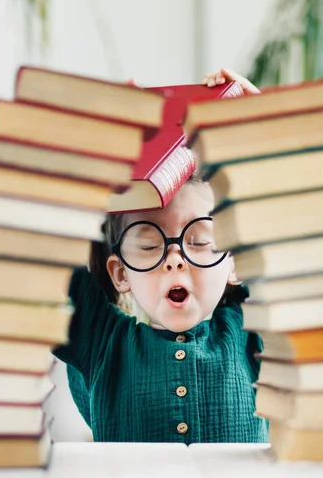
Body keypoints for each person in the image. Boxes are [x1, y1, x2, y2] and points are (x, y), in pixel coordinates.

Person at [53, 68, 268, 444]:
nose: (174, 259)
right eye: (149, 245)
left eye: (199, 240)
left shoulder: (255, 331)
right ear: (120, 273)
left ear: (236, 260)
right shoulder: (101, 343)